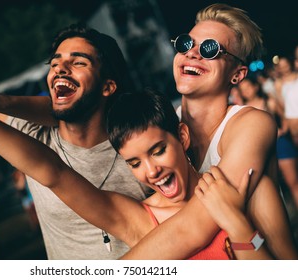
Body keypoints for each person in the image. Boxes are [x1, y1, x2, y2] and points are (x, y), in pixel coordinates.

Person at [0, 57, 273, 259]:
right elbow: (51, 172)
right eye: (134, 163)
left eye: (158, 150)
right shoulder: (138, 218)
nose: (152, 171)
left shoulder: (241, 187)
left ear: (181, 136)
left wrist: (240, 230)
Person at [0, 23, 149, 259]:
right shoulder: (34, 136)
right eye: (54, 63)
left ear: (107, 87)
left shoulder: (142, 152)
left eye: (78, 62)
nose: (60, 68)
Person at [119, 3, 297, 259]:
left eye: (210, 49)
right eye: (185, 44)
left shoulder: (250, 124)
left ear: (237, 74)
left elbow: (191, 227)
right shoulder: (162, 128)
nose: (192, 53)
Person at [239, 75, 298, 210]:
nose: (246, 91)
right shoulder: (243, 109)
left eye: (248, 87)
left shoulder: (269, 102)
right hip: (261, 149)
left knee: (293, 182)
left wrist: (282, 129)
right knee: (272, 188)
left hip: (280, 144)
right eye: (243, 89)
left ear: (255, 87)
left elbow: (285, 117)